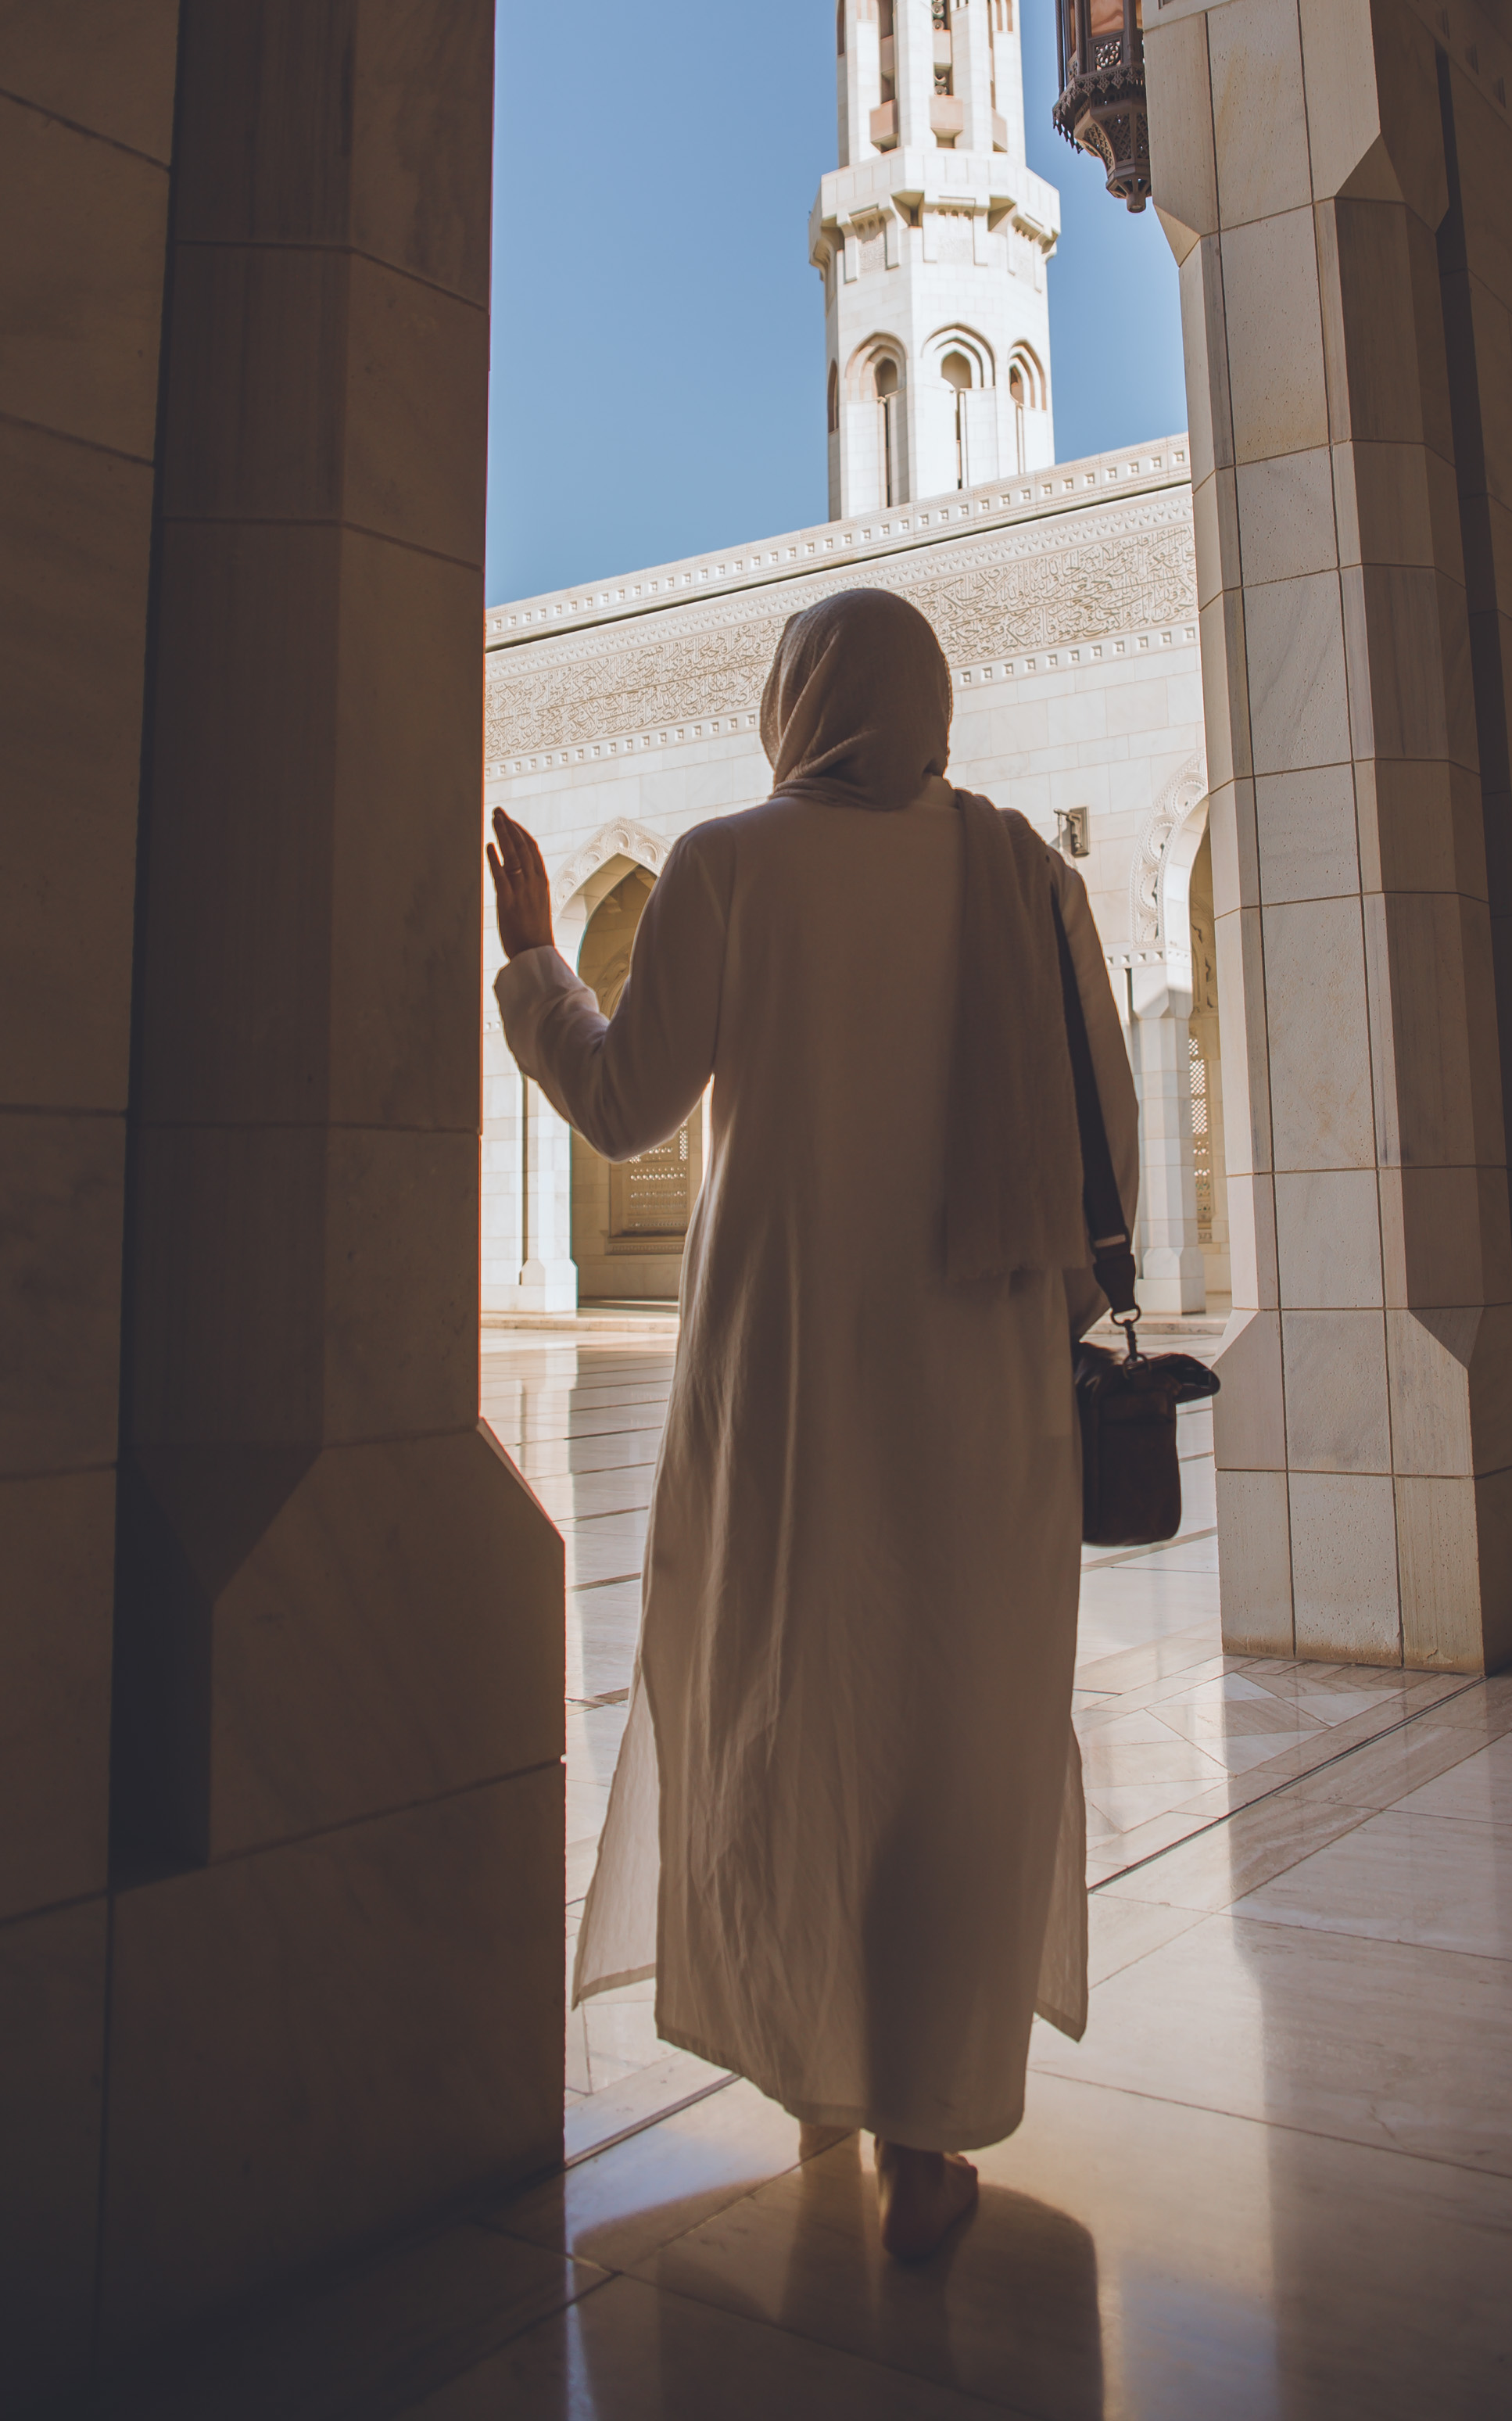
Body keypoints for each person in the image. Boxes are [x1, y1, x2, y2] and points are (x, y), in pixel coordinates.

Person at [485, 584, 1138, 2258]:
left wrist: (535, 963)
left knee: (792, 1695)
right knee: (956, 1715)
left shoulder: (726, 861)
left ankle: (818, 2081)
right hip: (983, 1382)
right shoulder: (1022, 874)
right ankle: (928, 2123)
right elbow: (1104, 1155)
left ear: (793, 703)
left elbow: (626, 1098)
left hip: (779, 1378)